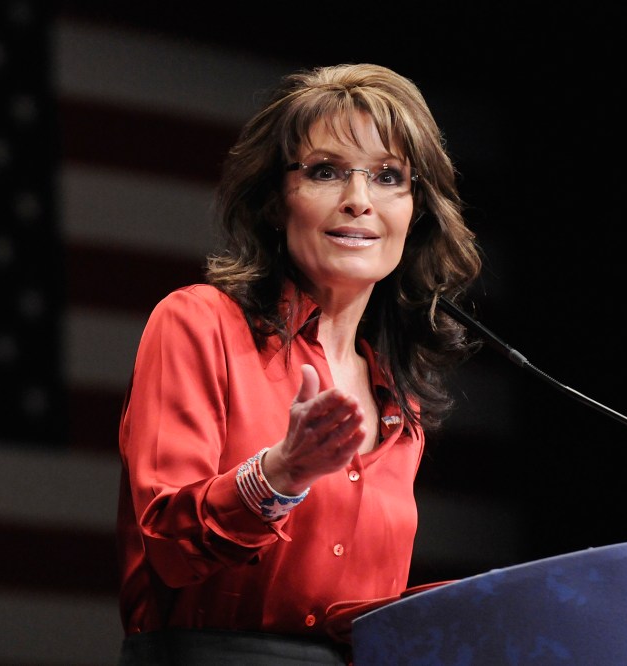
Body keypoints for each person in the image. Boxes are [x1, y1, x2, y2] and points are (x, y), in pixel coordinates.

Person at [115, 62, 483, 665]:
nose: (359, 201)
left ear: (416, 212)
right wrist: (279, 476)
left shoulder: (400, 400)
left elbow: (348, 609)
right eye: (325, 172)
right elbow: (169, 547)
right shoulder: (198, 322)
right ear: (274, 201)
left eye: (389, 176)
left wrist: (472, 609)